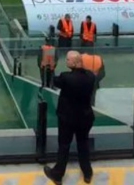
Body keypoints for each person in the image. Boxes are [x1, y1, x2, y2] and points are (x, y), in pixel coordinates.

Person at [43, 51, 96, 185]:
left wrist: (50, 68)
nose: (66, 62)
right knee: (83, 144)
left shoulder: (66, 77)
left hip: (68, 118)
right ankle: (87, 173)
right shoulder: (90, 76)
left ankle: (57, 174)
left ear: (73, 62)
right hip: (85, 117)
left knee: (64, 146)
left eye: (67, 60)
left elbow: (52, 81)